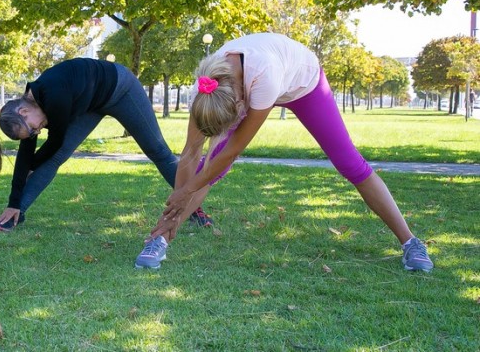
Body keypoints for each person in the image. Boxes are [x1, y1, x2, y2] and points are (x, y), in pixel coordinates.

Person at [136, 33, 434, 272]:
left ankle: (411, 242)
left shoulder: (264, 77)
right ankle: (160, 239)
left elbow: (230, 152)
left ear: (240, 101)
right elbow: (190, 153)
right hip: (243, 84)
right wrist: (173, 211)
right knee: (204, 166)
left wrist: (185, 190)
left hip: (304, 84)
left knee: (349, 162)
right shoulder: (206, 90)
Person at [0, 57, 213, 231]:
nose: (37, 132)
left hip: (121, 88)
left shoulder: (54, 98)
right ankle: (18, 214)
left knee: (158, 151)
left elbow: (52, 144)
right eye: (33, 133)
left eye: (34, 129)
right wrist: (14, 201)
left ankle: (193, 205)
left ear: (24, 111)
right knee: (55, 158)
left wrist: (31, 164)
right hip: (91, 103)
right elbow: (27, 155)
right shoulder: (31, 113)